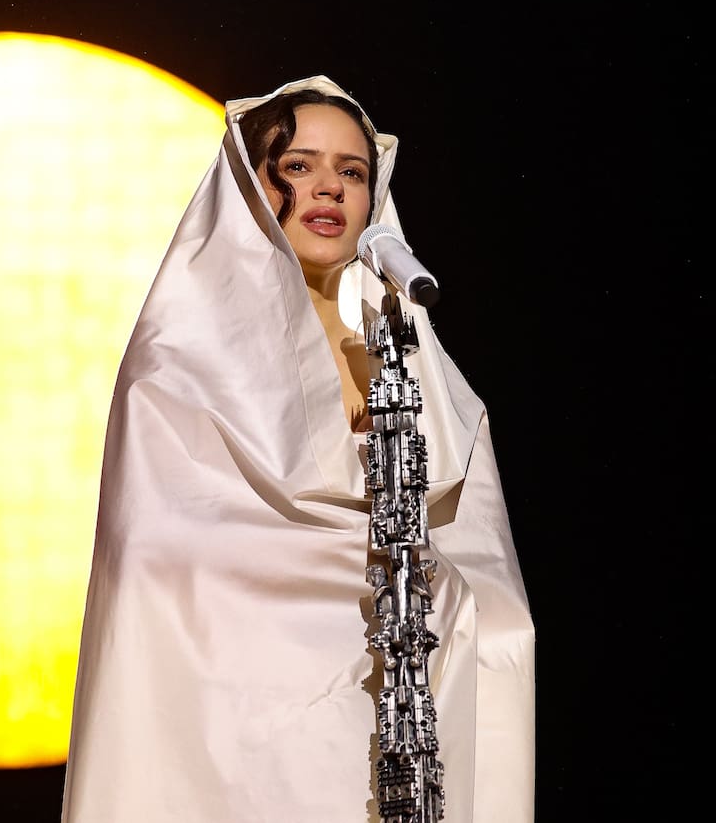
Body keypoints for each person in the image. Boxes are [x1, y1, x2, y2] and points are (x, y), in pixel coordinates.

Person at [59, 75, 535, 822]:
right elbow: (160, 571)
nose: (330, 188)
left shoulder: (415, 366)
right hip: (245, 726)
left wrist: (437, 600)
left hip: (405, 705)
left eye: (352, 171)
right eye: (299, 165)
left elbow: (482, 571)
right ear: (254, 186)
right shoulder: (180, 363)